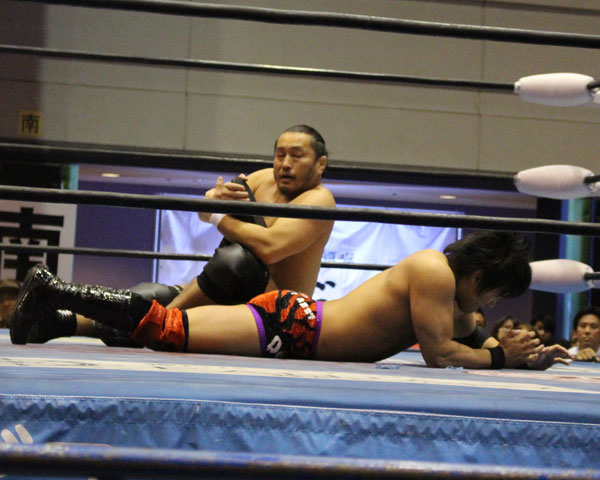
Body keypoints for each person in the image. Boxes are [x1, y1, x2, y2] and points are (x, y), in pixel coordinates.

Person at [11, 231, 572, 370]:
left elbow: (475, 337)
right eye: (496, 292)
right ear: (482, 274)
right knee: (169, 329)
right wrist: (501, 357)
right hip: (294, 326)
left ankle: (49, 322)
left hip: (298, 328)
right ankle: (54, 288)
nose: (491, 304)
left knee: (170, 328)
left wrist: (526, 353)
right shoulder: (434, 271)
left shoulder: (454, 299)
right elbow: (440, 353)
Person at [21, 124, 336, 345]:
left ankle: (158, 319)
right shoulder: (263, 178)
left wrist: (217, 215)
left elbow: (270, 248)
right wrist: (214, 199)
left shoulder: (319, 201)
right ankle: (58, 321)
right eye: (280, 154)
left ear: (320, 164)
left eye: (297, 156)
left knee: (237, 262)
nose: (285, 164)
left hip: (275, 317)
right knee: (151, 293)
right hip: (232, 291)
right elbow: (205, 209)